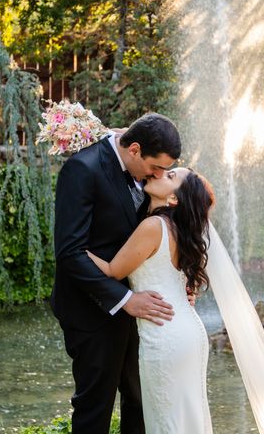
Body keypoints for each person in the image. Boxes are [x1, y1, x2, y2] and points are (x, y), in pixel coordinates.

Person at [51, 113, 183, 434]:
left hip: (141, 313)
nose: (158, 175)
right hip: (93, 311)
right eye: (155, 167)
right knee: (95, 407)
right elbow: (69, 252)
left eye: (165, 170)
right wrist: (125, 300)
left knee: (140, 402)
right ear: (135, 149)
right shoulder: (83, 169)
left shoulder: (146, 172)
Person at [87, 167, 215, 433]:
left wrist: (76, 250)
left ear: (174, 199)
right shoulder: (177, 229)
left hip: (164, 336)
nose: (160, 174)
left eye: (170, 177)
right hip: (188, 332)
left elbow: (113, 270)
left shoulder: (153, 226)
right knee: (185, 419)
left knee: (166, 422)